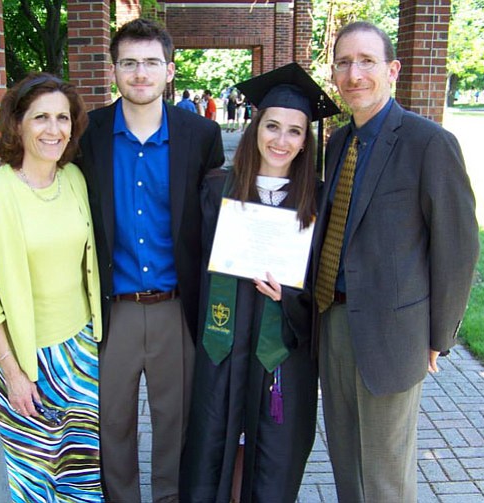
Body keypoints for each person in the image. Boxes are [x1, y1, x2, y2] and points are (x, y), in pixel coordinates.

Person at [311, 21, 479, 502]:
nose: (354, 73)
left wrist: (437, 338)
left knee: (385, 476)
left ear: (392, 70)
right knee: (346, 463)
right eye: (343, 62)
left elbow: (458, 249)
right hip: (334, 321)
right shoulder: (340, 143)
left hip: (393, 333)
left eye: (366, 61)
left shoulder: (429, 143)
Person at [77, 18, 225, 503]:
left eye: (151, 63)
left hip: (174, 309)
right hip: (110, 310)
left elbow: (214, 218)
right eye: (129, 63)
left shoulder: (201, 135)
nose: (140, 73)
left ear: (170, 69)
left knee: (175, 427)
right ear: (114, 69)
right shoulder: (88, 134)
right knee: (111, 427)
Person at [180, 63, 339, 503]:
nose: (281, 140)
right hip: (223, 345)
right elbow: (195, 272)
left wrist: (288, 296)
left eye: (295, 131)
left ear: (307, 140)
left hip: (283, 352)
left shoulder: (319, 199)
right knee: (216, 441)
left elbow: (324, 286)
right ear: (254, 128)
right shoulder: (216, 190)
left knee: (272, 454)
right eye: (272, 126)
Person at [0, 73, 103, 502]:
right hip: (26, 361)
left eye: (63, 118)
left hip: (80, 352)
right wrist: (14, 374)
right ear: (17, 123)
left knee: (81, 475)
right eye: (41, 117)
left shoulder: (75, 180)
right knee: (35, 481)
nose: (54, 129)